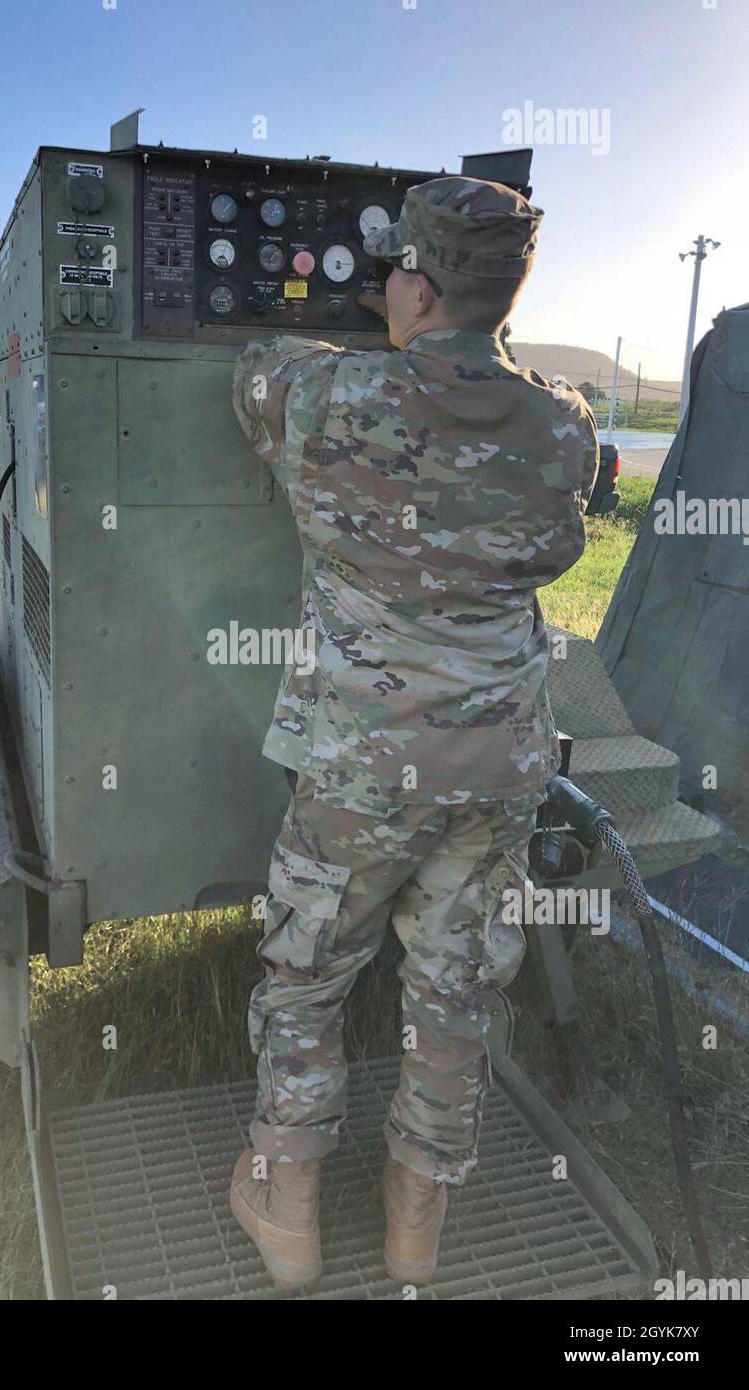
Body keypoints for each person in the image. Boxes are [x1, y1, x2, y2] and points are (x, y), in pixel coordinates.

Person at [228, 176, 599, 1290]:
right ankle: (415, 1226)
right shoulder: (564, 427)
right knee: (455, 985)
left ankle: (287, 1211)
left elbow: (254, 369)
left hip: (363, 762)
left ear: (418, 284)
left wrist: (376, 327)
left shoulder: (330, 397)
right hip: (501, 761)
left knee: (308, 973)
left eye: (398, 271)